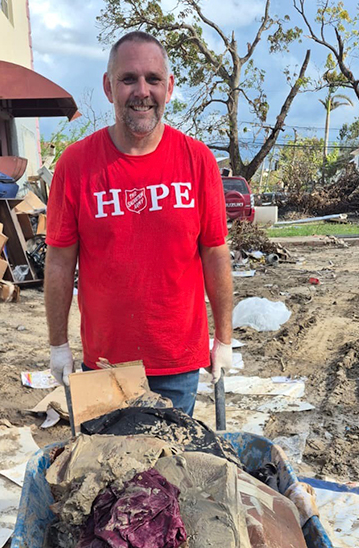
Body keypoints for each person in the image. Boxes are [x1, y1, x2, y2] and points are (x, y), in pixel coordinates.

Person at [45, 31, 234, 415]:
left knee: (170, 455)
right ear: (108, 86)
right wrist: (58, 344)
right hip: (105, 364)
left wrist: (224, 338)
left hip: (177, 363)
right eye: (128, 79)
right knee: (104, 456)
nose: (142, 91)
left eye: (153, 79)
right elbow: (60, 261)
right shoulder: (76, 165)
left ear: (170, 87)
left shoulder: (197, 161)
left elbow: (215, 252)